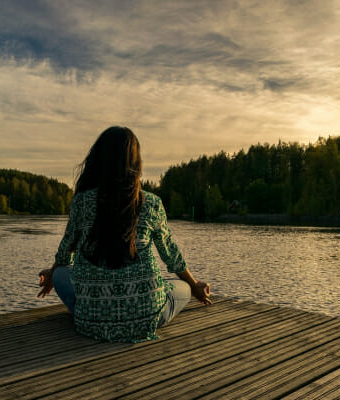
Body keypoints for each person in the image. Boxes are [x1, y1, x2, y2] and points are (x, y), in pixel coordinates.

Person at [38, 126, 211, 343]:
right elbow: (171, 256)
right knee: (182, 287)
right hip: (146, 318)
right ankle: (160, 297)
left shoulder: (82, 202)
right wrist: (194, 285)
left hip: (91, 321)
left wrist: (53, 274)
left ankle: (94, 308)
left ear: (98, 160)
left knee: (62, 273)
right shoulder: (152, 203)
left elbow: (65, 252)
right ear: (135, 164)